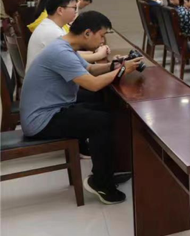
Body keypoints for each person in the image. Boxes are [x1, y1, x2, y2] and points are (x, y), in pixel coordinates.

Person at [20, 11, 144, 204]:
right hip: (41, 120)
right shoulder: (60, 52)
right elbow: (93, 84)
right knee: (101, 121)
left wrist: (117, 65)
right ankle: (101, 183)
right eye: (101, 35)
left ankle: (109, 169)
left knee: (106, 110)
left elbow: (90, 69)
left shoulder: (64, 46)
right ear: (87, 33)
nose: (102, 41)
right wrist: (121, 71)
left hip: (53, 107)